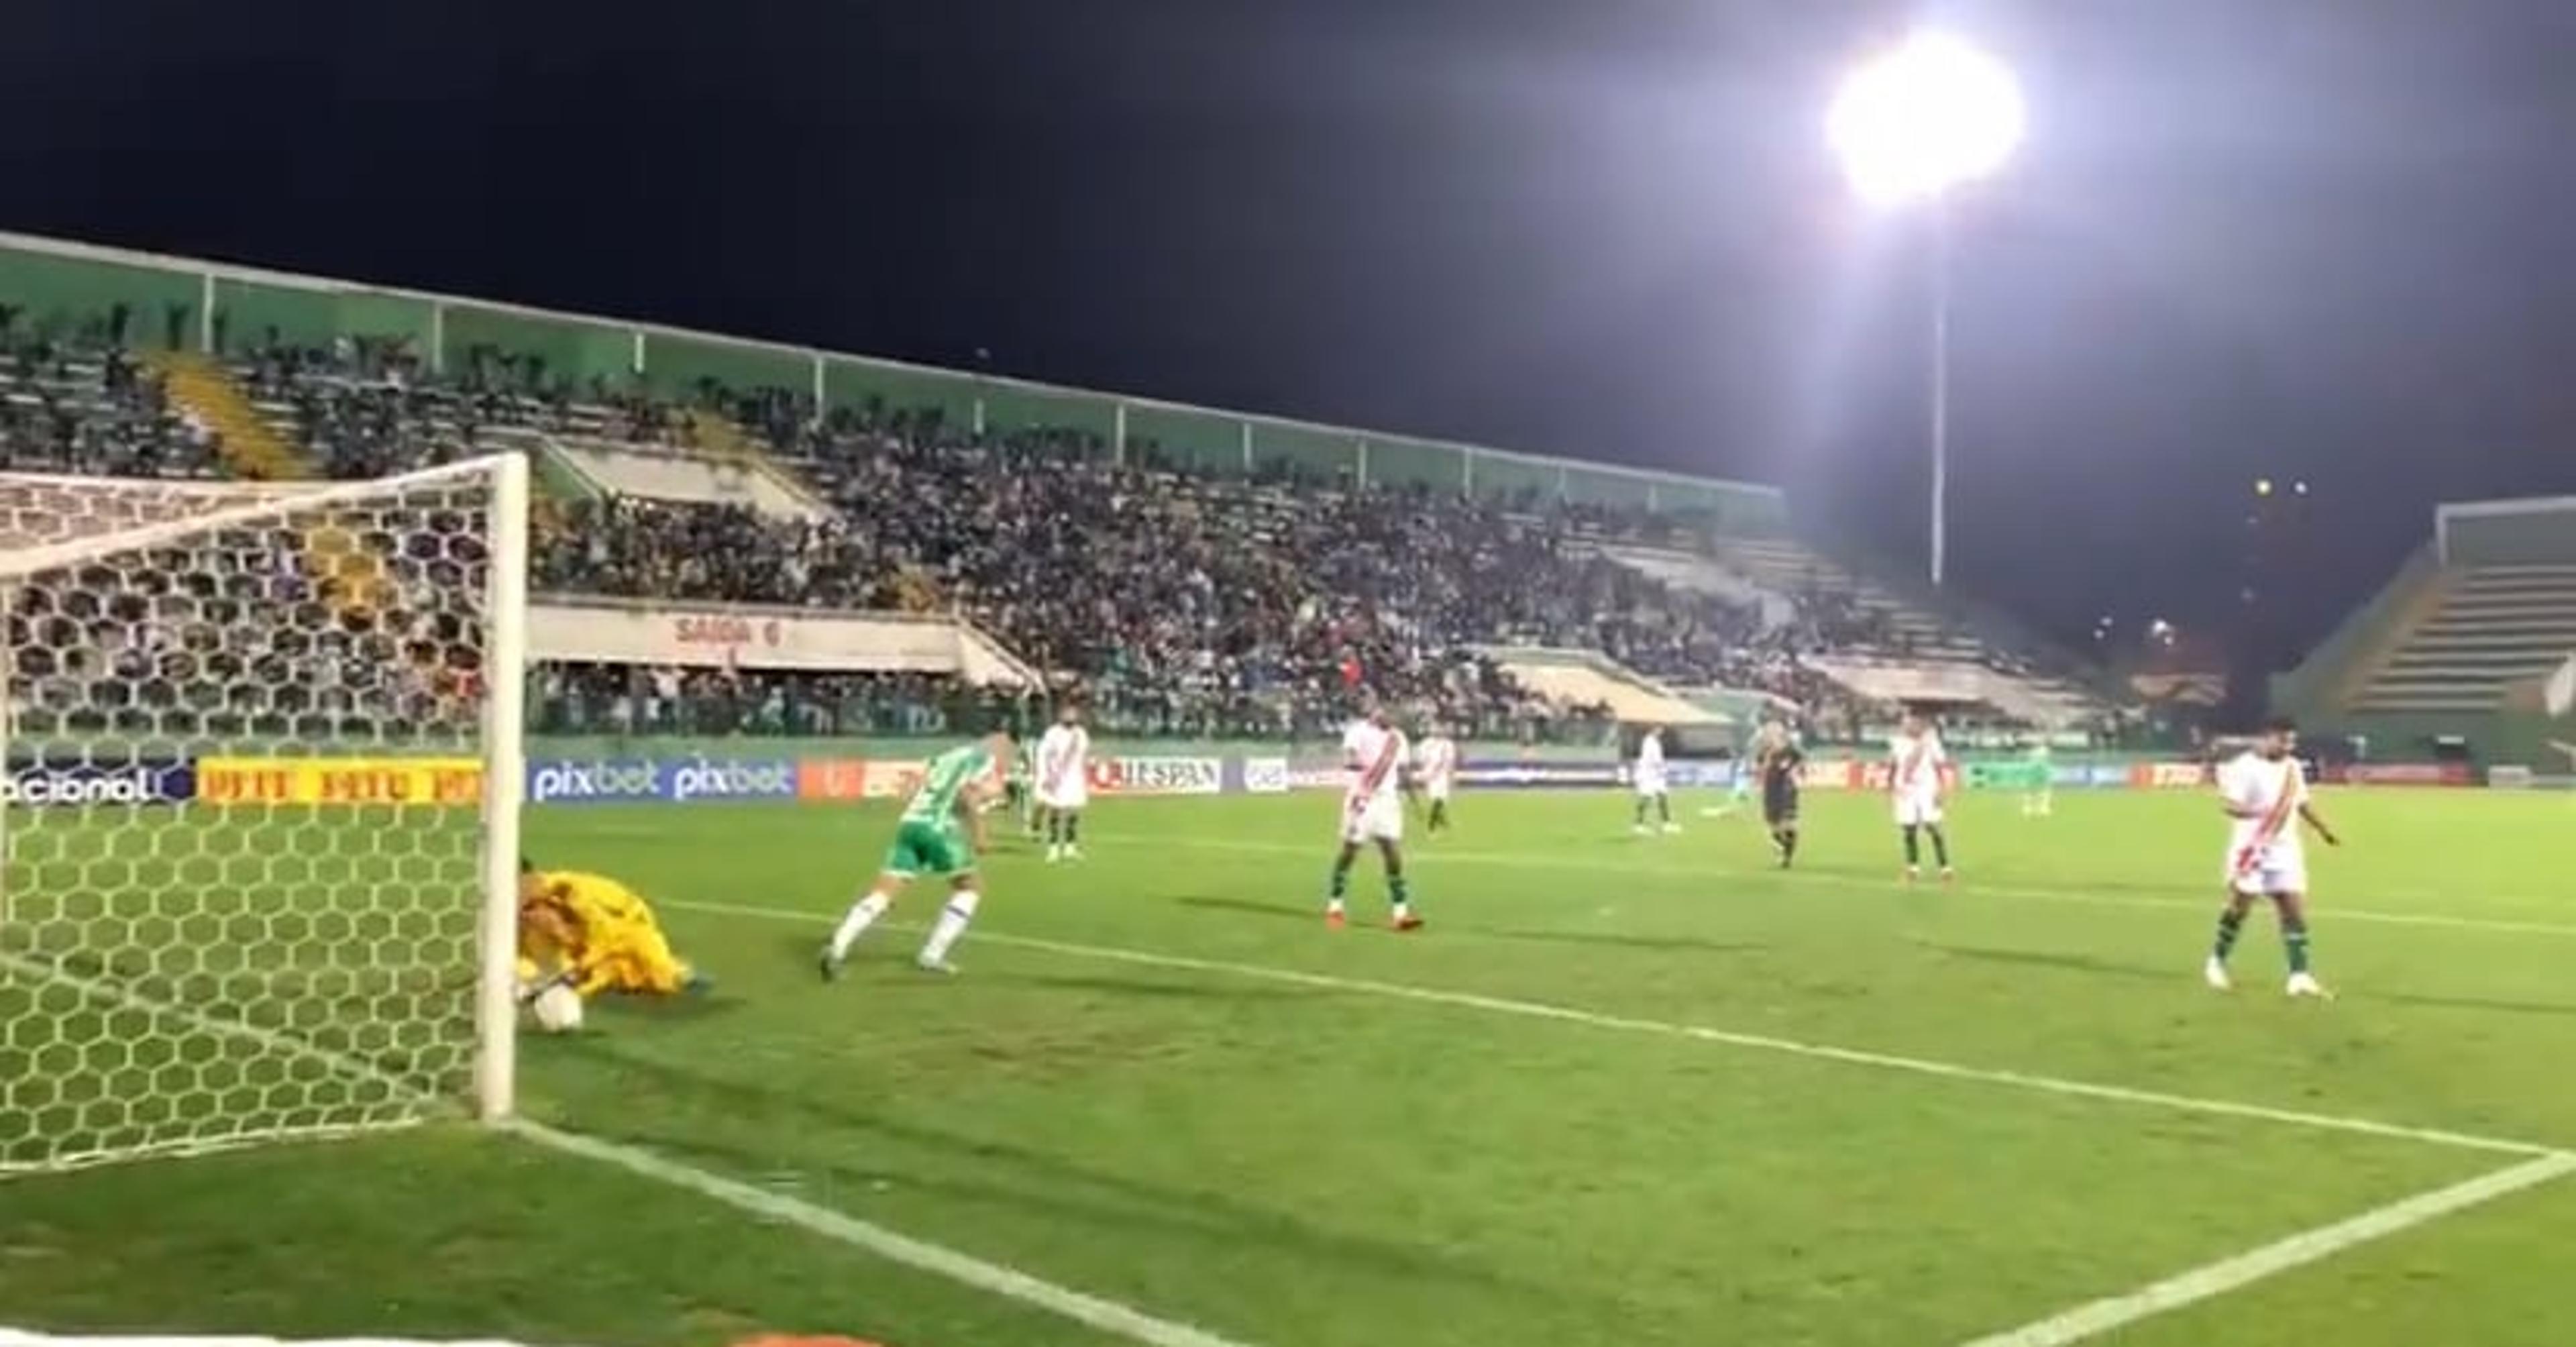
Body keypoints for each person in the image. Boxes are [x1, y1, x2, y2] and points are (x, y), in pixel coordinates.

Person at [819, 729, 1013, 979]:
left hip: (910, 824)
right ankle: (933, 954)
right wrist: (979, 835)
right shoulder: (981, 759)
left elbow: (916, 784)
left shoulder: (947, 757)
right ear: (997, 743)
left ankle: (837, 948)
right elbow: (968, 796)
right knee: (969, 888)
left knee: (883, 893)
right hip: (937, 828)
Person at [2206, 717, 2340, 998]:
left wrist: (2324, 830)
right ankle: (2217, 961)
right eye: (2284, 740)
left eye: (2292, 741)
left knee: (2293, 908)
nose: (2289, 746)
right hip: (2252, 847)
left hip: (2285, 848)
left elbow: (2301, 803)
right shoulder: (2244, 767)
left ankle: (2299, 975)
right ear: (2267, 738)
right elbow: (2229, 805)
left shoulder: (2293, 767)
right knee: (2240, 907)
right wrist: (2257, 814)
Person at [517, 860, 709, 1000]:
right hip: (593, 943)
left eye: (519, 886)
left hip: (628, 929)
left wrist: (579, 968)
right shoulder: (533, 905)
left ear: (531, 878)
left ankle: (677, 973)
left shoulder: (571, 891)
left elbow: (608, 935)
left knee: (651, 977)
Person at [1326, 698, 1424, 931]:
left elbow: (1403, 771)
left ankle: (1400, 913)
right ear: (1378, 712)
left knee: (1392, 852)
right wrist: (1354, 765)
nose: (1393, 719)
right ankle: (1335, 907)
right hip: (1362, 799)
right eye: (1389, 713)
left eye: (1396, 716)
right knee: (1350, 851)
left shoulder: (1398, 738)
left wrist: (1414, 800)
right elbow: (1350, 757)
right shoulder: (1358, 731)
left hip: (1388, 801)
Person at [1889, 710, 1953, 882]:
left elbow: (1940, 766)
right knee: (1909, 829)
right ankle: (1913, 868)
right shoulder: (1897, 743)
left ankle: (1945, 868)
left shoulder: (1930, 742)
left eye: (1911, 722)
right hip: (1906, 789)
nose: (1907, 725)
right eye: (1905, 722)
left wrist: (1942, 790)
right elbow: (1894, 765)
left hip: (1927, 788)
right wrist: (1891, 787)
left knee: (1932, 827)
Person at [1034, 702, 1092, 863]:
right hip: (1056, 778)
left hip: (1074, 779)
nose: (1070, 717)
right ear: (1061, 716)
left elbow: (1083, 755)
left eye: (1073, 714)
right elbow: (1043, 755)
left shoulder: (1080, 734)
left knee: (1073, 814)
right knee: (1055, 812)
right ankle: (1053, 848)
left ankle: (1070, 847)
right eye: (1067, 714)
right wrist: (1046, 776)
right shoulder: (1053, 733)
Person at [1758, 723, 1805, 869]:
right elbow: (1761, 768)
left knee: (1788, 823)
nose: (1768, 736)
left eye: (1772, 732)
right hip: (1770, 790)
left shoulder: (1791, 751)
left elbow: (1801, 763)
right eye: (1767, 733)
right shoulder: (1765, 752)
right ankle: (1781, 850)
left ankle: (1787, 856)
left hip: (1787, 789)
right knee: (1773, 825)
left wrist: (1796, 773)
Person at [1631, 724, 1678, 836]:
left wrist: (1662, 770)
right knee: (1646, 797)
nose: (1661, 731)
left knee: (1663, 796)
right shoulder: (1649, 742)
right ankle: (1638, 824)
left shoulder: (1654, 742)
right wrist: (1663, 769)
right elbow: (1654, 759)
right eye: (1659, 729)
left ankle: (1666, 824)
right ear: (1653, 729)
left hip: (1655, 775)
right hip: (1647, 774)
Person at [1414, 720, 1458, 834]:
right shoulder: (1425, 744)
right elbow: (1421, 760)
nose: (1437, 731)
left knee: (1440, 800)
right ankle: (1434, 825)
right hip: (1430, 774)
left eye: (1440, 729)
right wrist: (1424, 774)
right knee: (1436, 799)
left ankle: (1437, 823)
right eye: (1435, 729)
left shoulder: (1448, 744)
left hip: (1442, 775)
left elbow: (1450, 762)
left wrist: (1451, 777)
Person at [2022, 737, 2055, 818]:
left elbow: (2030, 761)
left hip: (2034, 771)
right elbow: (2046, 760)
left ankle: (2029, 809)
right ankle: (2043, 809)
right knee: (2045, 790)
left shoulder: (2032, 752)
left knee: (2032, 791)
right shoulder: (2045, 750)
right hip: (2041, 771)